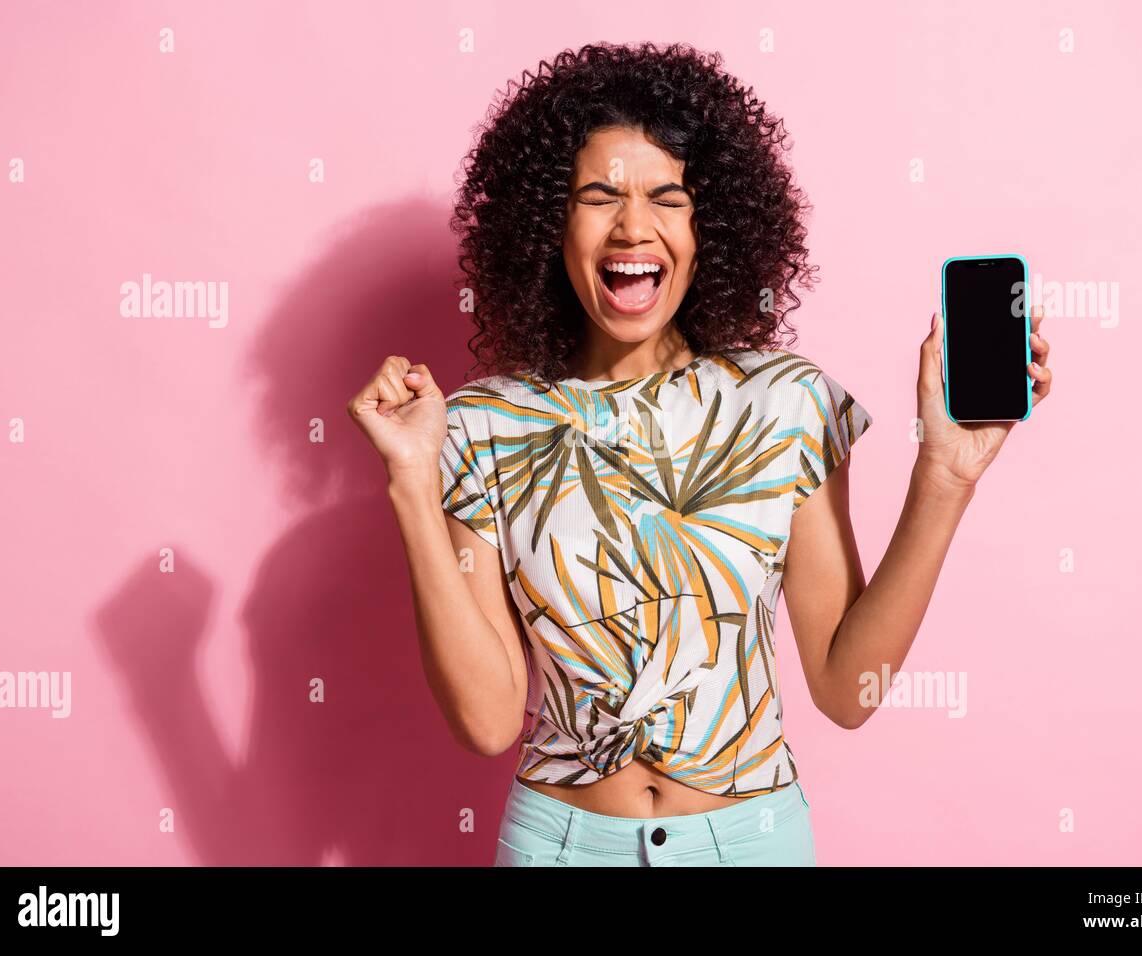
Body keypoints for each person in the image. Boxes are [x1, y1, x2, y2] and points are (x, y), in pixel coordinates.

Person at [347, 42, 1054, 867]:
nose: (633, 228)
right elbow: (488, 720)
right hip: (560, 845)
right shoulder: (482, 425)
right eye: (598, 196)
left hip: (749, 844)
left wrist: (946, 473)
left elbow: (847, 688)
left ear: (708, 223)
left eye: (667, 198)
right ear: (549, 222)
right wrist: (409, 478)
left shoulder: (786, 403)